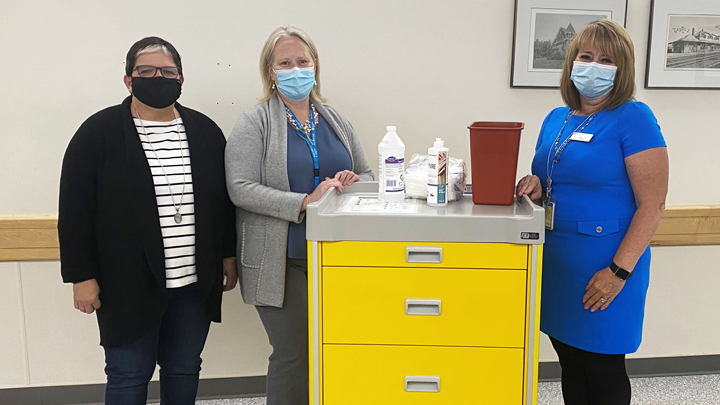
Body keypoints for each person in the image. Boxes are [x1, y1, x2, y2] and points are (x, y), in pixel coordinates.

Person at [58, 36, 237, 405]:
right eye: (146, 71)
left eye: (167, 71)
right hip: (126, 284)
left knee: (184, 368)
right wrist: (81, 276)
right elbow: (75, 209)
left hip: (193, 281)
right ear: (128, 79)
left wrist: (227, 255)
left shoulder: (205, 132)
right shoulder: (98, 133)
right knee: (128, 373)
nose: (158, 77)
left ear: (181, 80)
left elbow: (223, 203)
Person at [515, 20, 668, 405]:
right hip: (558, 264)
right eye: (586, 56)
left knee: (602, 370)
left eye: (606, 60)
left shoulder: (633, 117)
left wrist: (618, 272)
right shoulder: (557, 117)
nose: (593, 66)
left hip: (607, 266)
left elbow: (653, 205)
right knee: (572, 363)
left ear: (622, 70)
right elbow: (552, 180)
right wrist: (535, 185)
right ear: (572, 62)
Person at [225, 25, 374, 405]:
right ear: (271, 72)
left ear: (315, 66)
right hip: (282, 260)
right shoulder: (255, 121)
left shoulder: (334, 119)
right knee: (294, 355)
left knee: (334, 349)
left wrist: (351, 180)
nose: (296, 69)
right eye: (285, 63)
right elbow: (239, 188)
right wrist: (303, 202)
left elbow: (368, 175)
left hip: (335, 257)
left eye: (302, 61)